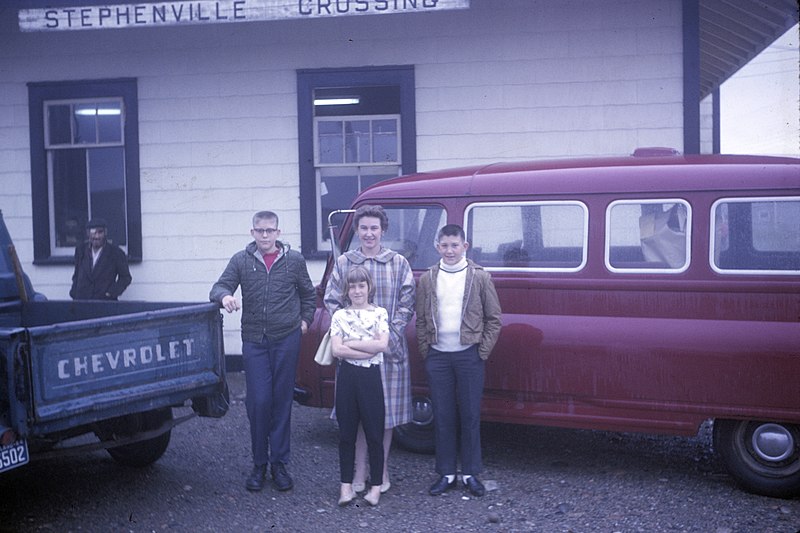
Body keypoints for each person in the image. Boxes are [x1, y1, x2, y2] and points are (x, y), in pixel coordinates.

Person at [210, 211, 316, 493]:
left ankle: (279, 464)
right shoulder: (241, 260)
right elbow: (219, 287)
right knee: (258, 402)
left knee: (281, 401)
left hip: (286, 339)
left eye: (270, 231)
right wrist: (226, 296)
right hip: (255, 341)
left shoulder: (294, 261)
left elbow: (308, 294)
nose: (265, 236)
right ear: (252, 232)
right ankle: (259, 463)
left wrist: (305, 322)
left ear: (278, 233)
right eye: (260, 231)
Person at [324, 204, 415, 494]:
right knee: (358, 415)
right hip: (354, 356)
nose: (369, 233)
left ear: (383, 230)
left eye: (374, 228)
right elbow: (332, 300)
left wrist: (390, 335)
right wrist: (353, 340)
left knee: (383, 415)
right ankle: (359, 472)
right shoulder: (344, 263)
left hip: (388, 353)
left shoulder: (398, 263)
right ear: (356, 230)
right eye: (363, 228)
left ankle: (382, 470)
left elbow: (407, 301)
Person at [415, 224, 502, 497]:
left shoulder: (479, 277)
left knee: (469, 415)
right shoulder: (428, 278)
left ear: (465, 246)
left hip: (469, 355)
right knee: (442, 416)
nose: (450, 250)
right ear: (437, 246)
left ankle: (470, 473)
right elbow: (420, 319)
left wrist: (481, 352)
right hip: (438, 355)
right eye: (445, 245)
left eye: (455, 245)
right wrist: (427, 351)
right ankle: (447, 473)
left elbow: (494, 319)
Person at [329, 266, 389, 507]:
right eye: (352, 286)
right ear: (347, 289)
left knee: (375, 433)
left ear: (368, 287)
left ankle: (375, 487)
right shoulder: (340, 316)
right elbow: (337, 350)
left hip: (370, 378)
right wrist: (367, 346)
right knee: (346, 434)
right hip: (347, 378)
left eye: (361, 286)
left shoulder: (379, 314)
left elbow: (382, 345)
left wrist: (351, 343)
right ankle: (346, 486)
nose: (356, 291)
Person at [70, 218, 132, 300]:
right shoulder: (81, 250)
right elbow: (77, 274)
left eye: (100, 232)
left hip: (104, 303)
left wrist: (111, 293)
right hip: (82, 301)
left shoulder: (116, 253)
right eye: (93, 232)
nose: (97, 236)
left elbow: (126, 277)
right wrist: (74, 292)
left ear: (105, 233)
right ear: (88, 234)